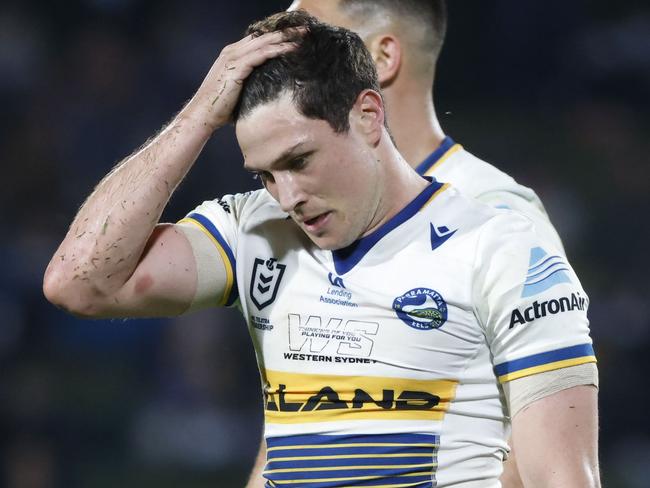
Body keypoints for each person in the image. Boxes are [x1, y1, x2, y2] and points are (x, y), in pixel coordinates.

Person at [43, 10, 600, 488]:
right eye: (264, 175)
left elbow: (563, 477)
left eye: (299, 161)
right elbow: (79, 281)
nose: (287, 197)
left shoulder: (502, 250)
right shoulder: (251, 231)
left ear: (367, 116)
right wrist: (200, 114)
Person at [246, 2, 563, 486]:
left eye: (308, 33)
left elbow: (540, 441)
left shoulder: (496, 213)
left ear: (382, 56)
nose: (274, 54)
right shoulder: (307, 210)